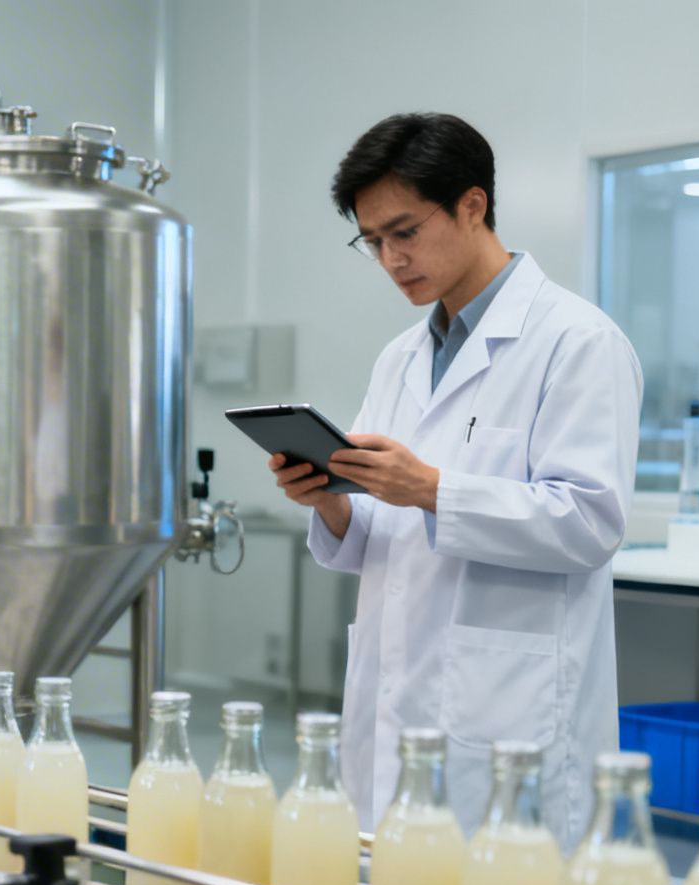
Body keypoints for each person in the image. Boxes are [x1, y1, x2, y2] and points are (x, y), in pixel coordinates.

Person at [270, 113, 641, 845]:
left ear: (473, 206)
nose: (390, 259)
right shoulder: (400, 357)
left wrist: (434, 489)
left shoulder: (577, 342)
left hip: (511, 712)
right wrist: (336, 506)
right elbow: (384, 527)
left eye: (404, 232)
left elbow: (590, 522)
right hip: (398, 695)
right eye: (372, 241)